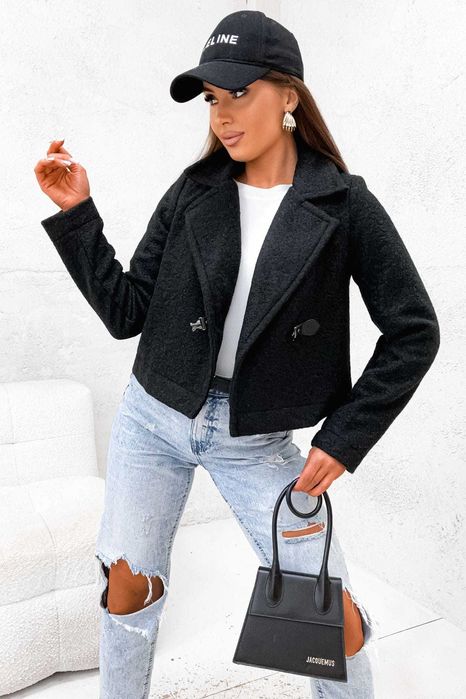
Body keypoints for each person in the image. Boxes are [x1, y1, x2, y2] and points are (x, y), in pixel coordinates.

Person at [34, 10, 440, 699]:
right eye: (212, 99)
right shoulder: (194, 191)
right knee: (127, 589)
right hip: (151, 417)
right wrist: (78, 214)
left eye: (240, 93)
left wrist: (345, 437)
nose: (222, 115)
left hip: (255, 440)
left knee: (325, 621)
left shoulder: (344, 205)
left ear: (289, 95)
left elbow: (414, 330)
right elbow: (126, 312)